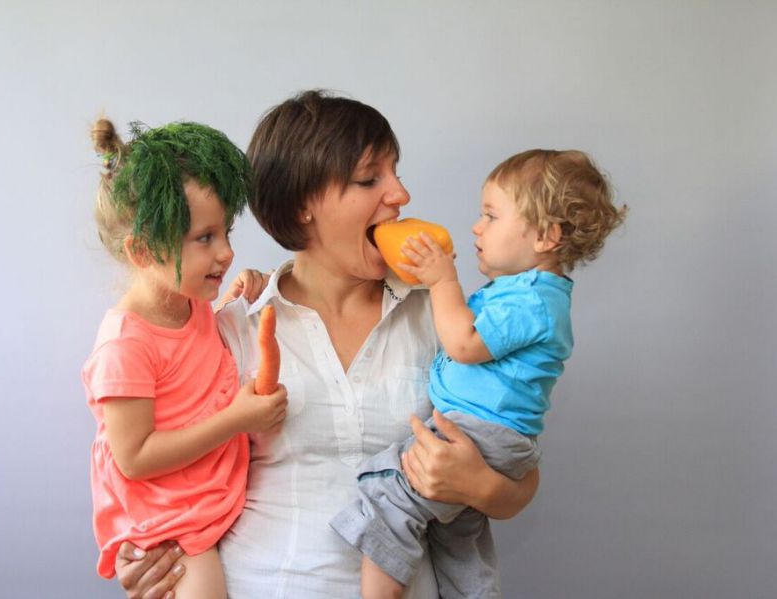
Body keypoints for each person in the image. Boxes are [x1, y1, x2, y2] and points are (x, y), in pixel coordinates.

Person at [114, 90, 541, 599]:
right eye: (369, 178)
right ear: (304, 206)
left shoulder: (444, 319)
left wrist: (480, 486)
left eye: (396, 172)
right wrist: (144, 551)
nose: (401, 194)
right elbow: (155, 463)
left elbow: (518, 473)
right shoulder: (233, 328)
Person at [330, 149, 627, 598]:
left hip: (480, 431)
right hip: (492, 435)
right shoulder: (525, 293)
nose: (476, 227)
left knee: (389, 500)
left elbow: (464, 344)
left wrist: (442, 281)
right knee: (458, 540)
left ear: (546, 236)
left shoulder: (532, 300)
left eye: (491, 215)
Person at [82, 119, 288, 598]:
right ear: (142, 251)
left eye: (225, 232)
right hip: (171, 527)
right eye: (204, 238)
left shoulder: (189, 304)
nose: (227, 252)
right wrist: (236, 420)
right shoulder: (124, 345)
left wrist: (230, 300)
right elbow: (134, 457)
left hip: (201, 503)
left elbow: (192, 365)